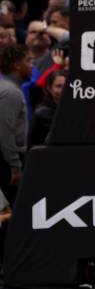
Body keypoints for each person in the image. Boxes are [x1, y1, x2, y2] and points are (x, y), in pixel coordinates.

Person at [0, 44, 31, 204]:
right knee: (14, 209)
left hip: (7, 158)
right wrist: (15, 165)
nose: (32, 65)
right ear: (17, 65)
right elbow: (5, 130)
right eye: (28, 61)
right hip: (6, 162)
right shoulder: (10, 92)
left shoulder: (10, 89)